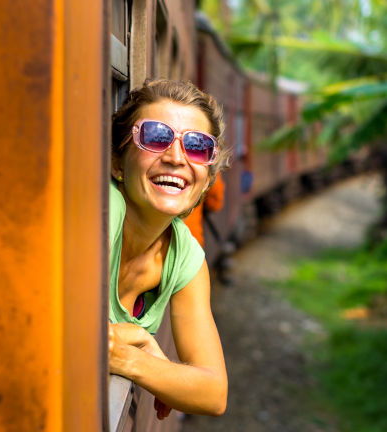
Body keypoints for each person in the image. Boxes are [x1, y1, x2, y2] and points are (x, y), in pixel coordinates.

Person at [108, 79, 229, 419]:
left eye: (197, 146)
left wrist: (134, 357)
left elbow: (214, 394)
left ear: (206, 177)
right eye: (156, 137)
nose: (176, 157)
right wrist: (150, 363)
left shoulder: (185, 256)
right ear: (118, 162)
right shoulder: (103, 213)